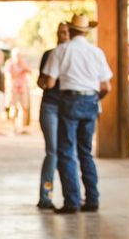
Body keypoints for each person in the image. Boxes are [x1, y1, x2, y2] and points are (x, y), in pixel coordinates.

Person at [44, 13, 112, 214]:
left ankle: (72, 201)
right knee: (86, 152)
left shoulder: (61, 51)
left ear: (71, 30)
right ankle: (92, 199)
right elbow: (106, 86)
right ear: (86, 31)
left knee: (66, 152)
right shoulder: (97, 52)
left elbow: (48, 83)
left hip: (69, 101)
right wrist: (92, 99)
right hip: (91, 101)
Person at [35, 22, 70, 209]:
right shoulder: (50, 54)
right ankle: (45, 195)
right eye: (60, 32)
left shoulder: (74, 55)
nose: (63, 35)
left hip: (69, 108)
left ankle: (70, 196)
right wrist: (47, 81)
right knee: (52, 152)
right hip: (50, 106)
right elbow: (41, 81)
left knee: (68, 152)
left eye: (66, 32)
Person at [5, 48, 31, 133]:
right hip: (13, 88)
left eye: (19, 55)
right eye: (16, 55)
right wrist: (21, 71)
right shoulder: (10, 63)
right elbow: (9, 76)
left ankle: (22, 127)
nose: (18, 57)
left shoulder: (23, 62)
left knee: (24, 108)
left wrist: (25, 69)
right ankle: (13, 127)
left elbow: (29, 71)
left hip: (23, 88)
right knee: (13, 107)